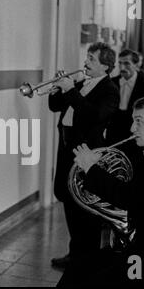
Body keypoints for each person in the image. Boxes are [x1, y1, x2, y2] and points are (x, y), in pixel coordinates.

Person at [59, 94, 144, 287]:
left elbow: (129, 197)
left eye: (139, 122)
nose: (132, 129)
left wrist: (91, 168)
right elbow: (137, 193)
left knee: (83, 274)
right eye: (133, 121)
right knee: (80, 265)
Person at [48, 42, 119, 268]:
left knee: (84, 207)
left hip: (87, 154)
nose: (85, 62)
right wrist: (56, 90)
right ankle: (75, 252)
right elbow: (56, 107)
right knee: (67, 198)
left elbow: (93, 115)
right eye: (87, 57)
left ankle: (86, 258)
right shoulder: (80, 82)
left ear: (105, 66)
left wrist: (69, 90)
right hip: (67, 148)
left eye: (91, 59)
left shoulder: (110, 90)